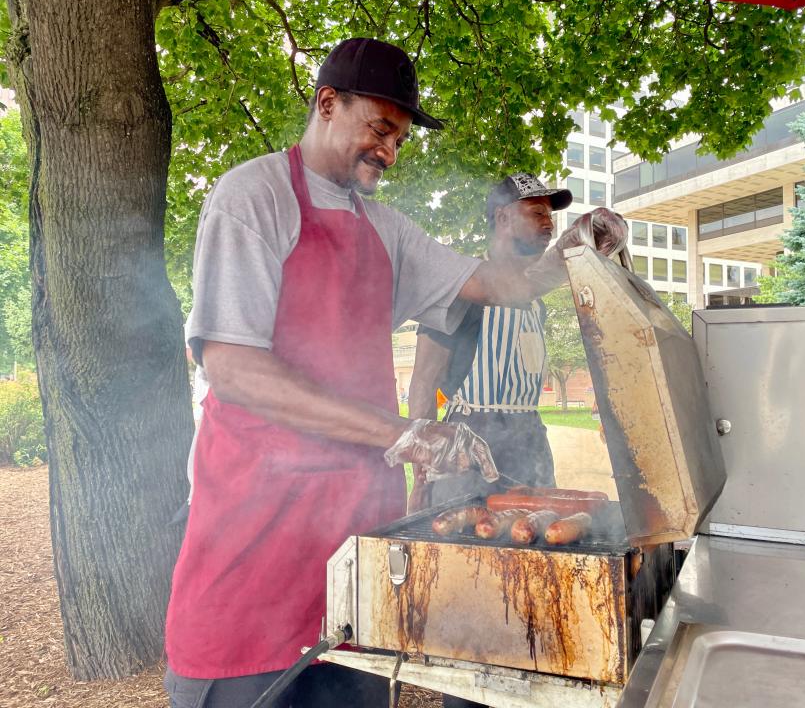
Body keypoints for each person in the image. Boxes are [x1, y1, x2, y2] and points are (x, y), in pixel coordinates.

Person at [163, 37, 626, 708]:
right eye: (381, 129)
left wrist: (573, 248)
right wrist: (406, 431)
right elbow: (233, 369)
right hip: (254, 550)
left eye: (400, 138)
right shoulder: (252, 199)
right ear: (327, 104)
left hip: (361, 565)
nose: (390, 151)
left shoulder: (385, 228)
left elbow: (500, 284)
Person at [407, 173, 574, 511]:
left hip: (529, 441)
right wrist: (422, 476)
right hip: (469, 443)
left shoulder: (535, 300)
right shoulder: (463, 289)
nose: (549, 225)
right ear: (503, 218)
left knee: (538, 542)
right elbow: (424, 384)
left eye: (550, 216)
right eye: (538, 213)